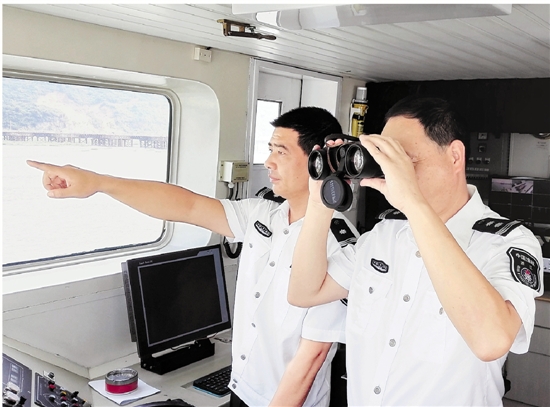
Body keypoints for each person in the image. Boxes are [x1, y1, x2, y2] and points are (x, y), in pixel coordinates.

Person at [27, 106, 358, 407]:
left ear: (319, 162)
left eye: (281, 152)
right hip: (241, 388)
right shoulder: (263, 213)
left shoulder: (339, 244)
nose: (269, 162)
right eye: (270, 149)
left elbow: (312, 358)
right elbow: (187, 206)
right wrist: (99, 183)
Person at [288, 96, 544, 406]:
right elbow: (304, 291)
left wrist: (413, 202)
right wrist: (319, 203)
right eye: (386, 159)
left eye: (405, 159)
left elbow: (491, 341)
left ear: (455, 156)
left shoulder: (506, 241)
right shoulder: (384, 234)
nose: (394, 172)